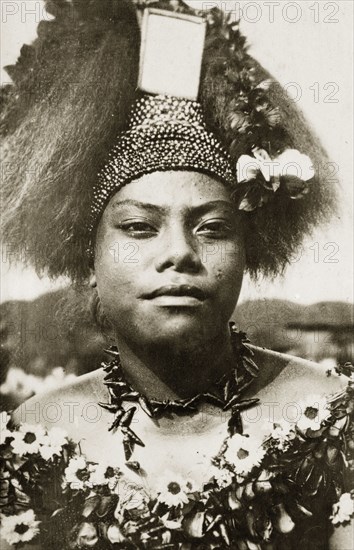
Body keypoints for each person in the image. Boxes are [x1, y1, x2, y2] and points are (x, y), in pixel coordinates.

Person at [0, 1, 353, 549]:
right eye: (139, 228)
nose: (181, 254)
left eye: (213, 228)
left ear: (248, 250)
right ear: (87, 259)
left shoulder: (330, 417)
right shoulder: (39, 433)